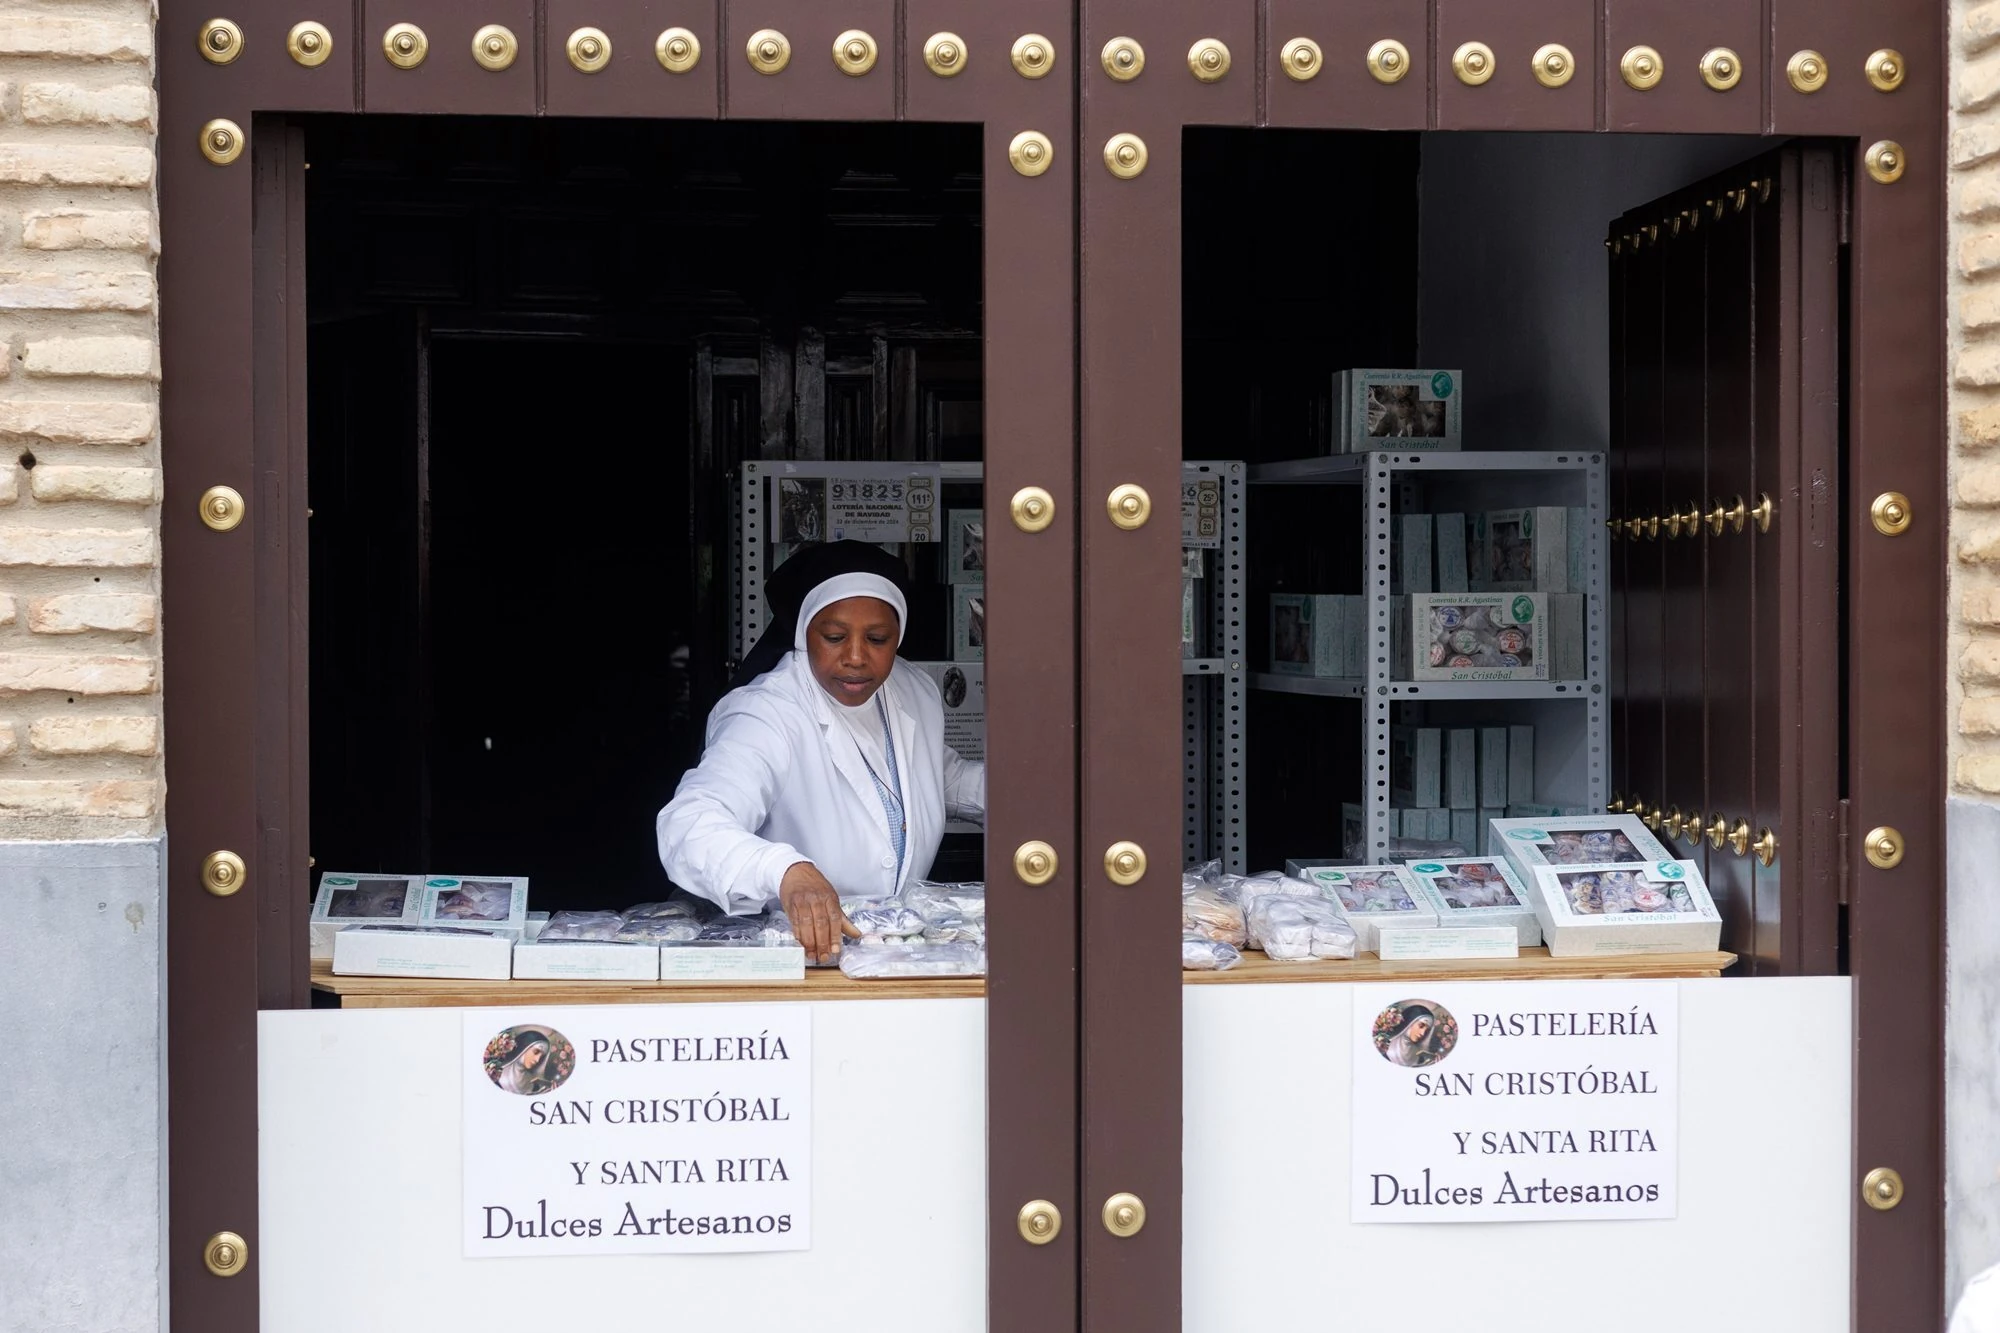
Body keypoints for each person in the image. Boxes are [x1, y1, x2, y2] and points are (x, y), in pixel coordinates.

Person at [656, 542, 986, 963]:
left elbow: (937, 777)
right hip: (792, 959)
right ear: (802, 634)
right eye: (834, 637)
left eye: (877, 639)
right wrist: (784, 871)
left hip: (893, 955)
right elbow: (690, 824)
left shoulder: (912, 690)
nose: (855, 657)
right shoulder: (766, 712)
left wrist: (1039, 798)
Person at [494, 1030, 558, 1095]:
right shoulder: (495, 1075)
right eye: (536, 1052)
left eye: (541, 1056)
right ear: (523, 1048)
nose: (537, 1060)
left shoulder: (534, 1084)